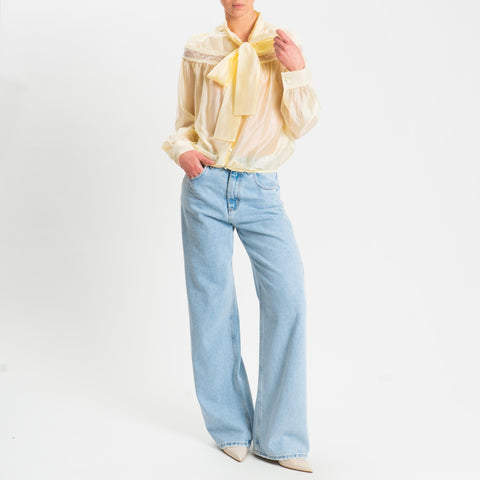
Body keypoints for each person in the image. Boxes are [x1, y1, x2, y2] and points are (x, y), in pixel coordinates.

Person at [162, 0, 321, 473]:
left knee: (287, 297)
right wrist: (182, 151)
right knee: (211, 304)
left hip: (261, 191)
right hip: (205, 186)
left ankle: (281, 437)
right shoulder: (199, 48)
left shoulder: (282, 46)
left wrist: (296, 70)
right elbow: (184, 121)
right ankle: (229, 428)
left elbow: (302, 123)